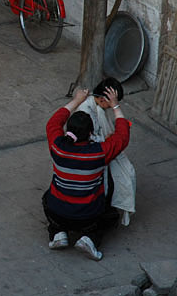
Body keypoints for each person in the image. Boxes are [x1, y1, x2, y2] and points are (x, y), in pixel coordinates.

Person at [42, 87, 130, 260]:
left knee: (47, 197)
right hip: (88, 217)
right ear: (91, 133)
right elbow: (123, 136)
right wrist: (115, 106)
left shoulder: (57, 147)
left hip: (57, 212)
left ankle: (57, 232)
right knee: (111, 215)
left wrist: (76, 100)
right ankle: (90, 239)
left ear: (69, 130)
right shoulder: (99, 153)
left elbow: (53, 123)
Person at [77, 77, 136, 226]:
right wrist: (108, 138)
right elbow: (87, 140)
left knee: (125, 173)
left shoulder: (97, 108)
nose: (112, 106)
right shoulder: (86, 110)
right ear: (104, 99)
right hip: (90, 157)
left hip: (99, 150)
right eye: (112, 102)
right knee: (118, 177)